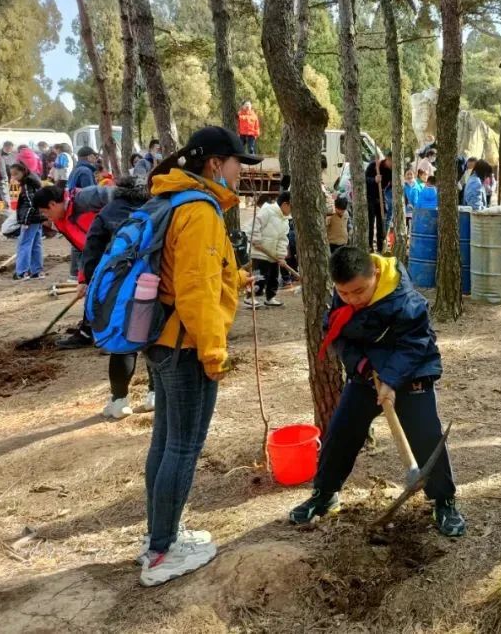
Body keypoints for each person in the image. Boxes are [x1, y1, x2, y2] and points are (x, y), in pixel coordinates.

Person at [136, 126, 261, 586]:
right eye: (237, 163)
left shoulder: (175, 199)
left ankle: (159, 535)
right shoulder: (201, 212)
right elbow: (196, 291)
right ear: (215, 164)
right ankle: (162, 552)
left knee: (166, 441)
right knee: (183, 446)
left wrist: (237, 278)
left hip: (161, 339)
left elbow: (198, 274)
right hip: (186, 346)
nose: (240, 171)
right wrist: (214, 354)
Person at [289, 245, 466, 537]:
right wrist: (361, 366)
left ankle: (444, 501)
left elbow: (414, 345)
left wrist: (391, 381)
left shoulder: (405, 300)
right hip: (367, 374)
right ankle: (325, 494)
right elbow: (336, 332)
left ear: (374, 273)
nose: (352, 299)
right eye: (344, 293)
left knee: (426, 436)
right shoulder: (345, 293)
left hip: (411, 372)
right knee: (341, 432)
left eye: (359, 291)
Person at [78, 176, 153, 418]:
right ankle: (154, 394)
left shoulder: (107, 213)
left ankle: (120, 400)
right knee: (151, 340)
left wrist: (93, 286)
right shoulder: (154, 210)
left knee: (122, 345)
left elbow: (92, 252)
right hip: (150, 284)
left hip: (117, 288)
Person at [33, 182, 115, 349]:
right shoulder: (61, 222)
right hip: (97, 257)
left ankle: (109, 337)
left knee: (109, 293)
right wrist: (82, 279)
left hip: (117, 252)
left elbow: (117, 201)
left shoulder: (84, 202)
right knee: (93, 291)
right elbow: (81, 249)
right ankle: (88, 331)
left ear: (52, 204)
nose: (45, 217)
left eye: (44, 212)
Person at [245, 192, 290, 309]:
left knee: (273, 278)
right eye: (292, 207)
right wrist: (256, 240)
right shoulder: (267, 211)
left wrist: (281, 256)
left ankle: (270, 297)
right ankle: (250, 297)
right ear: (285, 204)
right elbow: (253, 225)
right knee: (259, 276)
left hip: (272, 254)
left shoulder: (285, 220)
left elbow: (283, 239)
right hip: (260, 252)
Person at [10, 162, 45, 280]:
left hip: (31, 218)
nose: (14, 177)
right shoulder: (35, 181)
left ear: (23, 172)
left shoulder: (27, 184)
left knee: (24, 244)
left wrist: (25, 221)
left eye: (16, 174)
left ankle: (22, 272)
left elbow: (31, 204)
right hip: (38, 217)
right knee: (36, 244)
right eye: (12, 175)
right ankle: (37, 271)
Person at [366, 155, 393, 252]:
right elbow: (364, 179)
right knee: (370, 223)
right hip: (370, 198)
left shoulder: (391, 171)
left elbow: (392, 185)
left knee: (381, 223)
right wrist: (374, 180)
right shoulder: (374, 165)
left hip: (381, 198)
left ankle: (381, 247)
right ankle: (369, 247)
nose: (393, 164)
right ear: (387, 159)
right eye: (392, 161)